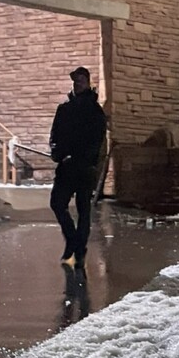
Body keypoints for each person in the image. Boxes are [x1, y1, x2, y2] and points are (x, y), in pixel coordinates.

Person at [49, 66, 107, 269]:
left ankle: (79, 249)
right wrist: (57, 152)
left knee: (83, 209)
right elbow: (54, 134)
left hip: (84, 167)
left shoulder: (95, 111)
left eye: (81, 79)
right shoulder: (64, 108)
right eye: (75, 80)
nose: (77, 83)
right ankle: (72, 240)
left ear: (88, 82)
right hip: (66, 166)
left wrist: (87, 161)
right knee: (57, 203)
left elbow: (98, 141)